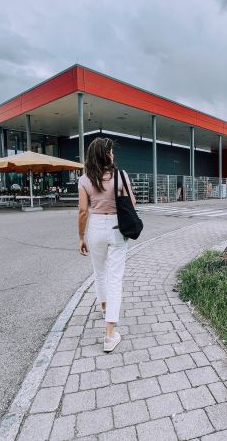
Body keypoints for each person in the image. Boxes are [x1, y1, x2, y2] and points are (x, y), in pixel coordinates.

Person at [78, 137, 136, 352]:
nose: (113, 155)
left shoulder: (84, 179)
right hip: (117, 227)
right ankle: (110, 335)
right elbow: (132, 203)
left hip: (95, 227)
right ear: (106, 154)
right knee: (115, 278)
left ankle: (104, 308)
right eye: (111, 151)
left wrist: (81, 237)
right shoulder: (121, 176)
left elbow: (83, 211)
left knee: (100, 273)